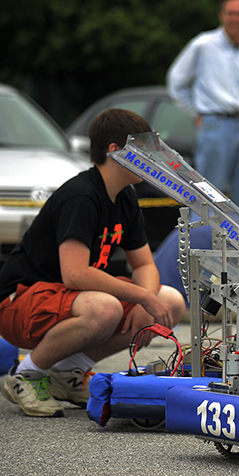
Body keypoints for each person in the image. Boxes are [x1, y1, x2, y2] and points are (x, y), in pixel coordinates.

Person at [0, 109, 186, 418]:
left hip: (67, 299)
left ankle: (69, 373)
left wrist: (146, 300)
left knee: (170, 302)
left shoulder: (125, 196)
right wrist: (141, 296)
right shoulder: (82, 196)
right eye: (141, 148)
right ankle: (26, 375)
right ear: (115, 151)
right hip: (18, 301)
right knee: (107, 308)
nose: (151, 158)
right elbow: (74, 275)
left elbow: (144, 266)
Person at [167, 0, 239, 204]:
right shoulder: (203, 44)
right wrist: (195, 112)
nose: (235, 18)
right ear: (221, 15)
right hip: (215, 124)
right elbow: (176, 80)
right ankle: (201, 235)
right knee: (208, 194)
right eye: (230, 13)